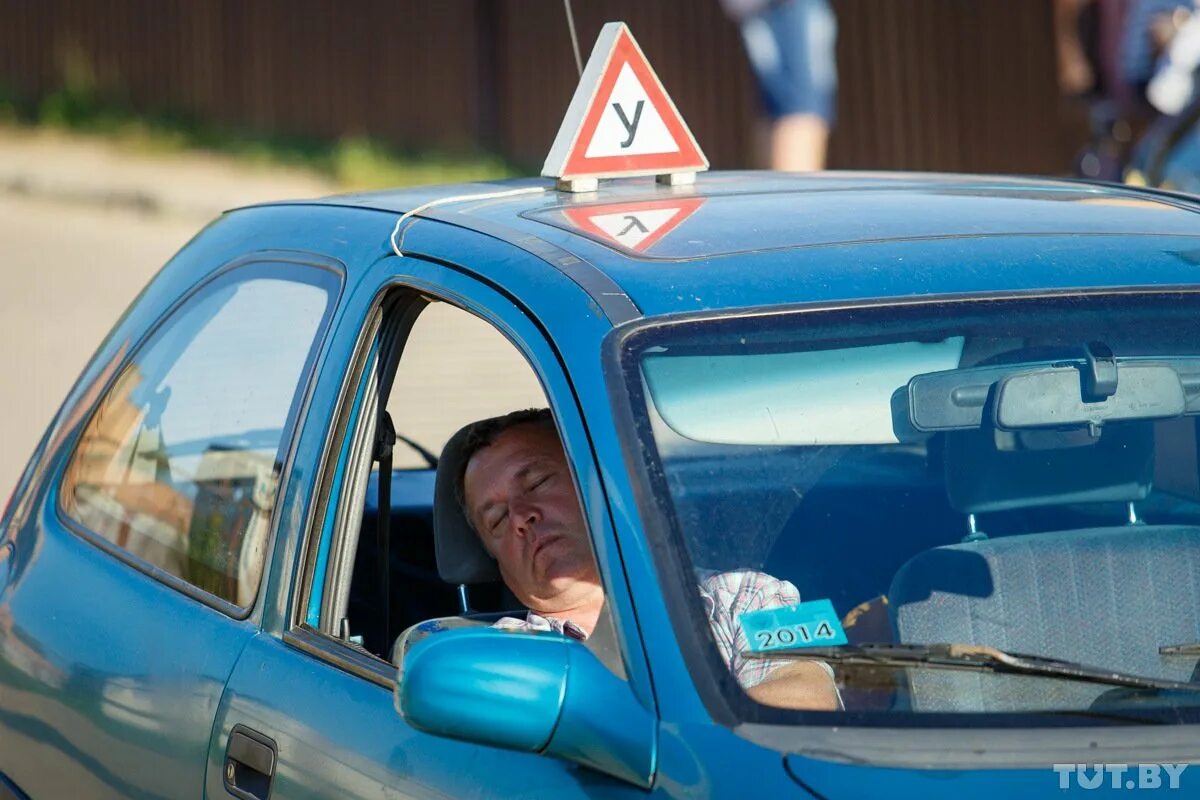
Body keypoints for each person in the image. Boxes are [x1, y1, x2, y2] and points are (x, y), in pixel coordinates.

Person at [455, 408, 840, 711]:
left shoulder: (754, 590)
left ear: (599, 479)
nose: (522, 516)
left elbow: (813, 692)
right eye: (498, 519)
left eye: (538, 482)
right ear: (495, 560)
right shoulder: (499, 656)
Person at [720, 0, 837, 171]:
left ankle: (784, 192)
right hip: (786, 8)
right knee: (800, 110)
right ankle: (798, 195)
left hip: (772, 10)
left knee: (779, 111)